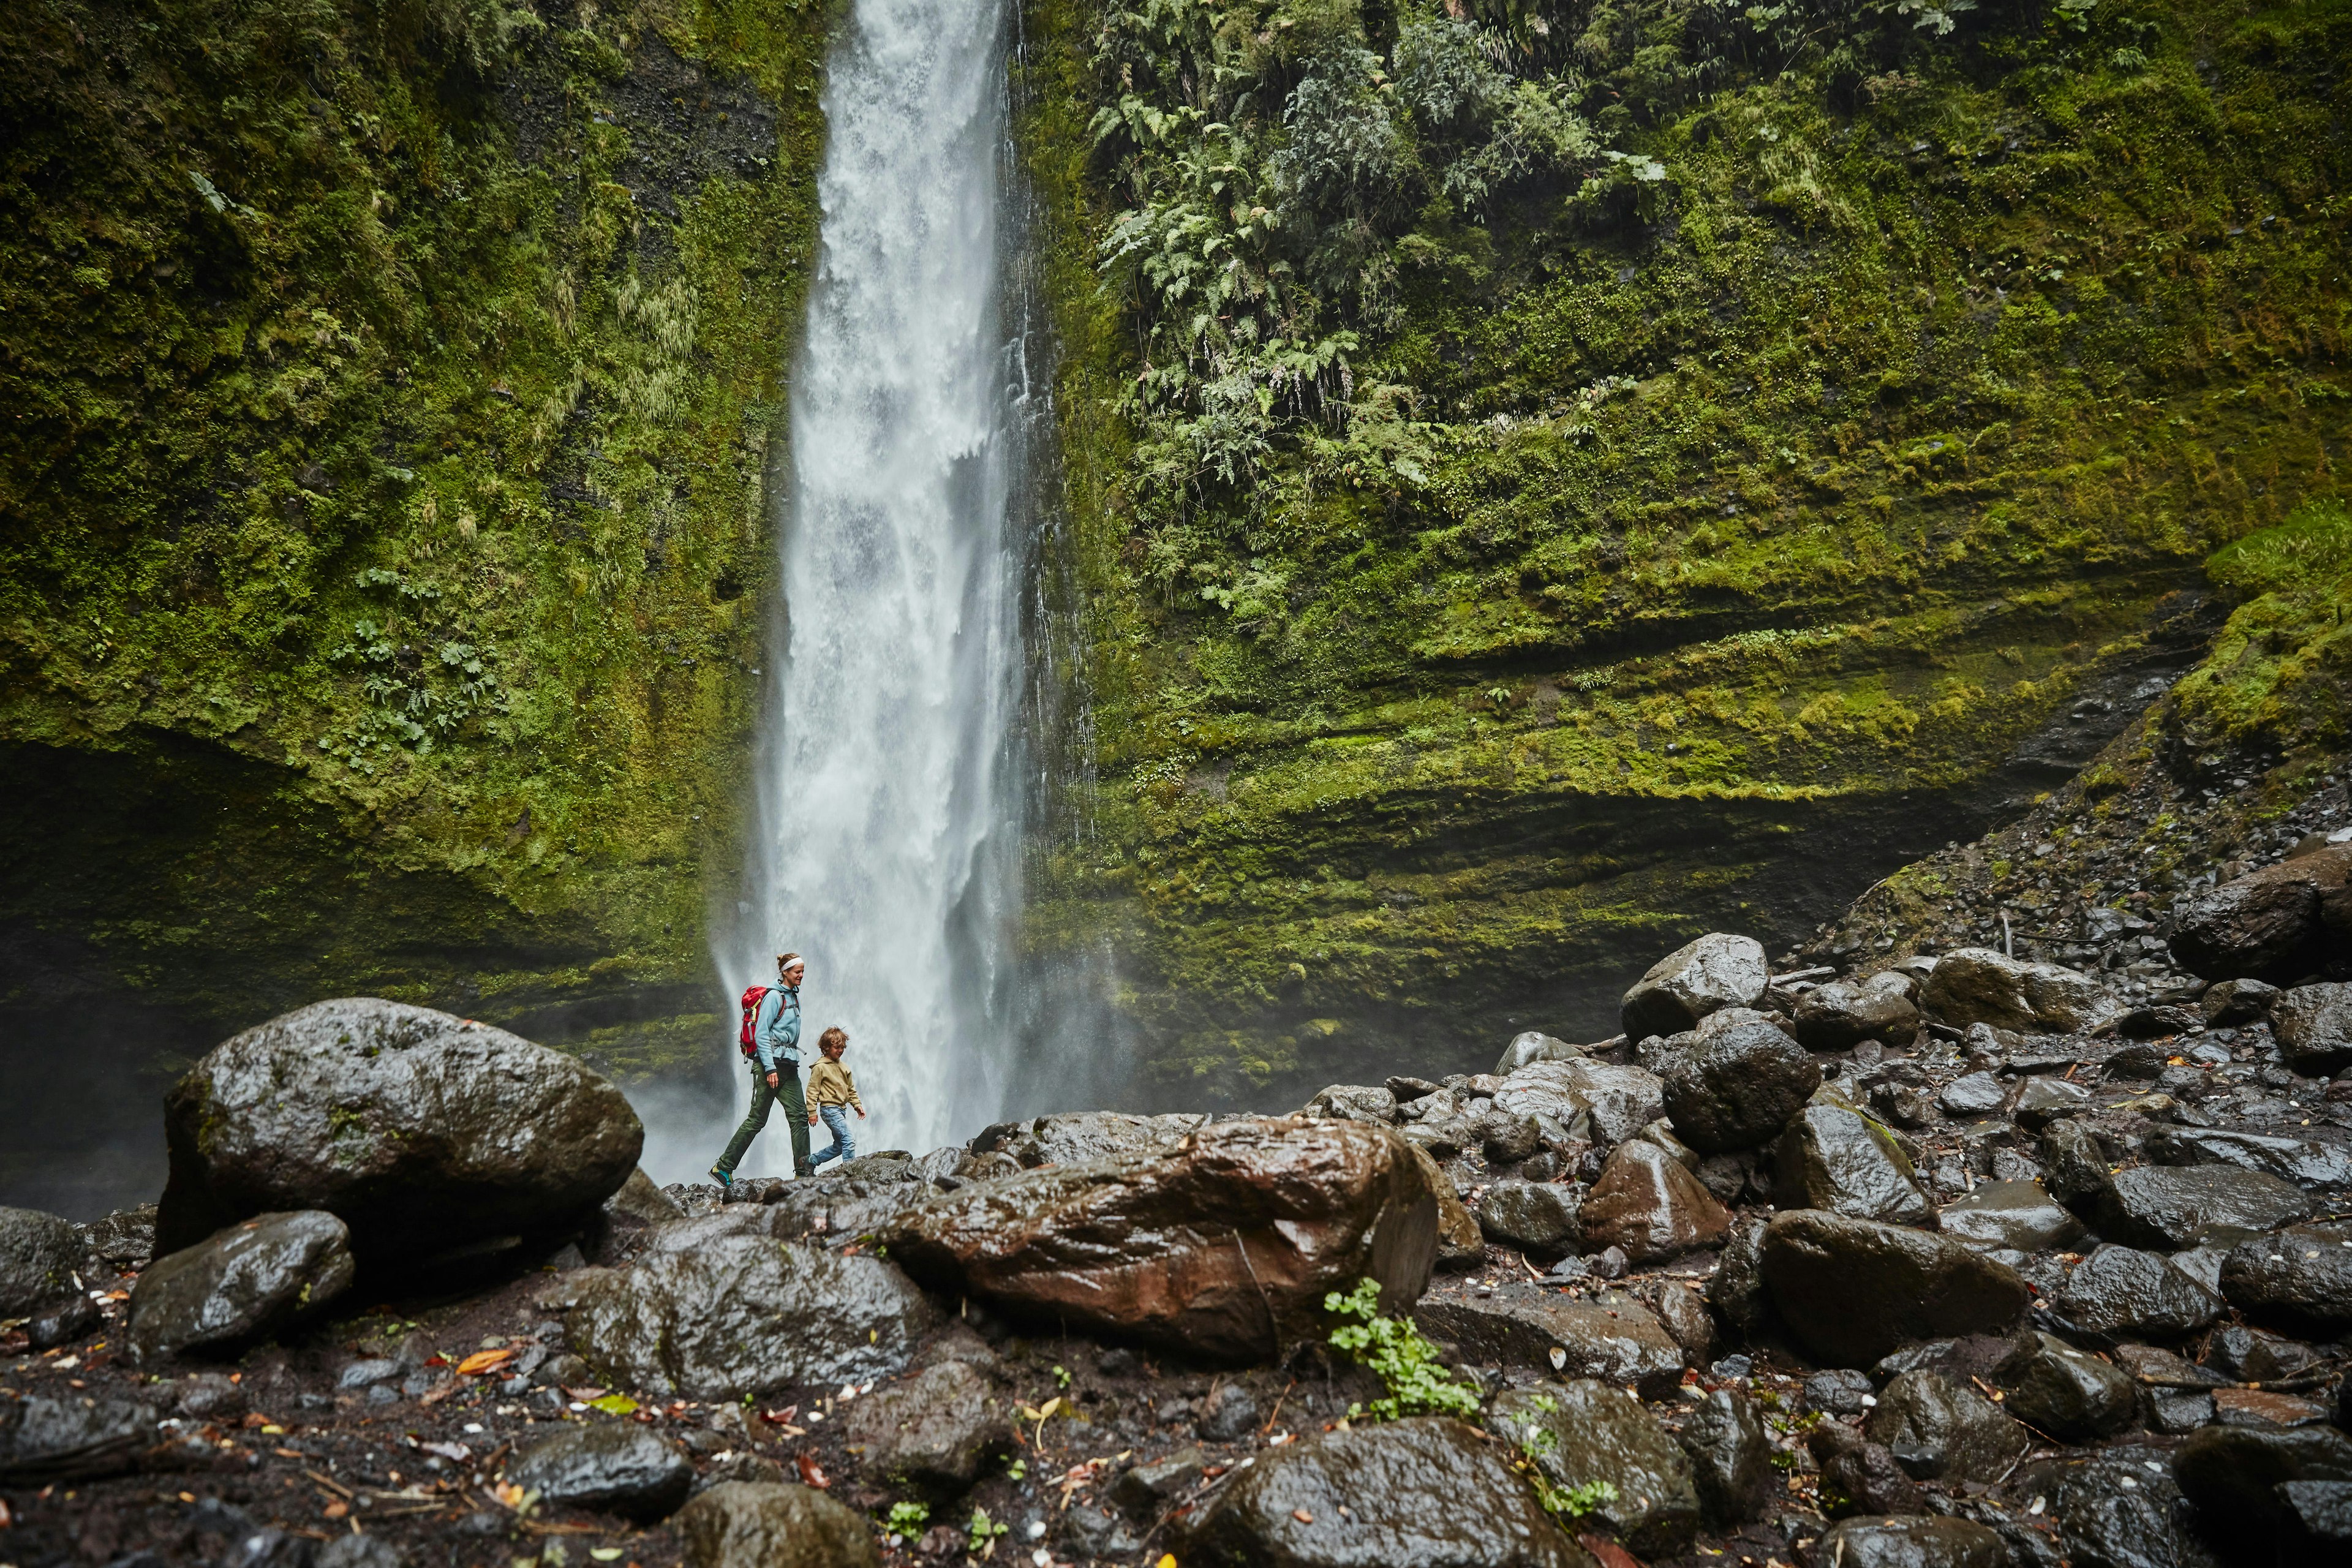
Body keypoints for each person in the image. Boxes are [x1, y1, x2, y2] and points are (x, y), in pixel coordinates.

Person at [710, 952, 812, 1185]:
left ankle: (804, 1172)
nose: (801, 975)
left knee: (799, 1117)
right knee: (757, 1119)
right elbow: (762, 1034)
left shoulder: (794, 998)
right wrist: (769, 1068)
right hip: (771, 1067)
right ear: (785, 972)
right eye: (798, 971)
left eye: (803, 971)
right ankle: (723, 1168)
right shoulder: (774, 997)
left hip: (789, 1066)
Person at [804, 1026, 865, 1169]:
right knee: (849, 1140)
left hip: (841, 1110)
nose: (840, 1050)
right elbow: (812, 1090)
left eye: (843, 1047)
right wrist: (812, 1112)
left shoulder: (844, 1067)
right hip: (829, 1109)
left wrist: (857, 1105)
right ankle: (850, 1172)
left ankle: (811, 1161)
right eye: (837, 1047)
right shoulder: (820, 1067)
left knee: (839, 1146)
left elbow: (851, 1089)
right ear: (826, 1047)